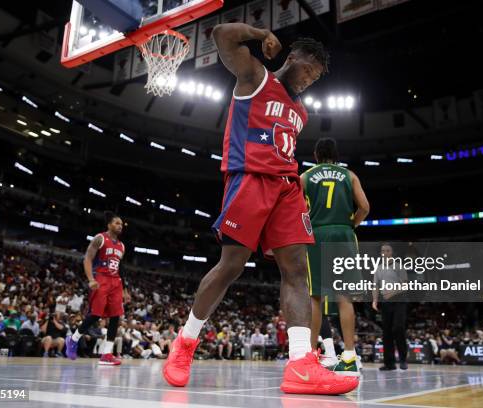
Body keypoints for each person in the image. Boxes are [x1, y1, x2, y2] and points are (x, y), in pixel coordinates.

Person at [163, 22, 358, 395]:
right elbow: (220, 34)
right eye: (307, 71)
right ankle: (185, 343)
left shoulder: (301, 113)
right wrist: (258, 33)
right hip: (249, 178)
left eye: (315, 78)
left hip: (286, 187)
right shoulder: (255, 76)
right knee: (231, 266)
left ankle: (301, 363)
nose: (308, 81)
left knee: (298, 270)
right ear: (293, 58)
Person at [300, 138, 370, 377]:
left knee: (316, 297)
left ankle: (310, 357)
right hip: (344, 233)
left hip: (317, 234)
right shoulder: (349, 175)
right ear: (336, 154)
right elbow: (365, 207)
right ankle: (349, 357)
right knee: (344, 297)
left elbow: (296, 209)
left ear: (316, 155)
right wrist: (352, 224)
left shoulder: (306, 176)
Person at [65, 212, 131, 366]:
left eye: (121, 224)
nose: (120, 226)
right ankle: (73, 339)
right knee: (95, 314)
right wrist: (91, 279)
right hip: (101, 278)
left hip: (116, 282)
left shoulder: (122, 246)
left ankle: (106, 354)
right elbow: (87, 258)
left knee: (116, 317)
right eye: (116, 223)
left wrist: (125, 289)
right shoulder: (100, 238)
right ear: (109, 225)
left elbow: (121, 268)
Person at [372, 243, 409, 370]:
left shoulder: (399, 266)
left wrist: (391, 293)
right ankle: (389, 363)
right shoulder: (379, 268)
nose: (385, 253)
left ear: (391, 252)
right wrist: (375, 300)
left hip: (399, 300)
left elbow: (405, 285)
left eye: (388, 250)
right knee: (386, 332)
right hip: (386, 302)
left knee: (398, 328)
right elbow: (376, 285)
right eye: (383, 251)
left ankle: (403, 359)